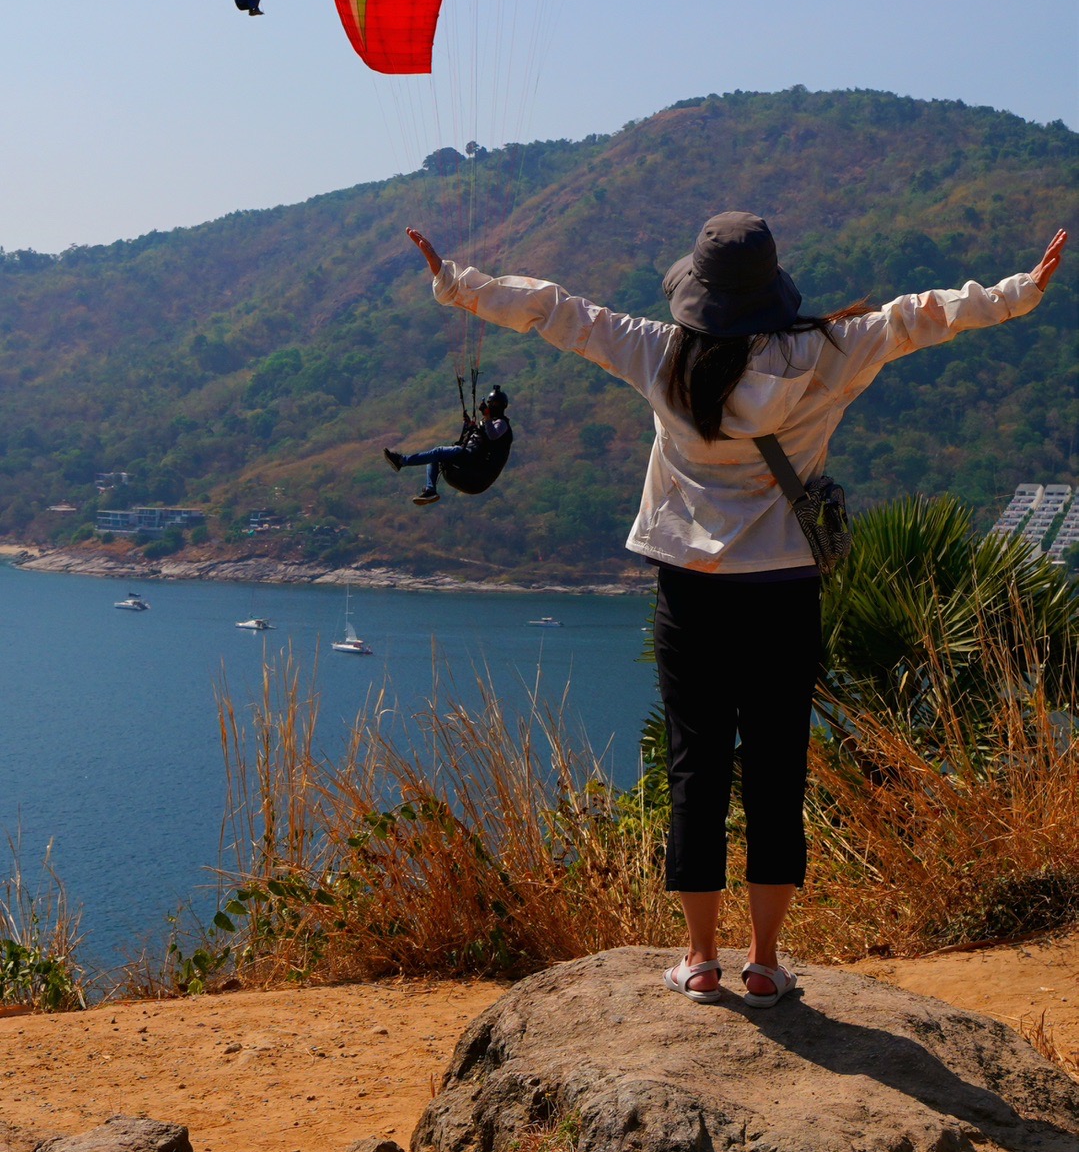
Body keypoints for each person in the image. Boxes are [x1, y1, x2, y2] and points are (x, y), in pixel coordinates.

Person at [403, 215, 1067, 1007]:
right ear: (770, 286)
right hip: (785, 588)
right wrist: (1017, 293)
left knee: (697, 765)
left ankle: (698, 958)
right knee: (778, 766)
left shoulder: (659, 351)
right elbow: (916, 315)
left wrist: (457, 285)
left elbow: (556, 311)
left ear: (699, 293)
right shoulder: (826, 351)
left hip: (689, 587)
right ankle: (764, 961)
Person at [384, 386, 513, 506]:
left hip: (477, 471)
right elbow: (469, 440)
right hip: (469, 464)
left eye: (494, 404)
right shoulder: (487, 422)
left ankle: (402, 461)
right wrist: (468, 426)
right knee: (435, 456)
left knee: (439, 451)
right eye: (490, 404)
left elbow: (493, 436)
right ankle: (430, 490)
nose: (491, 406)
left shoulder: (501, 423)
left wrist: (486, 417)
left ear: (502, 406)